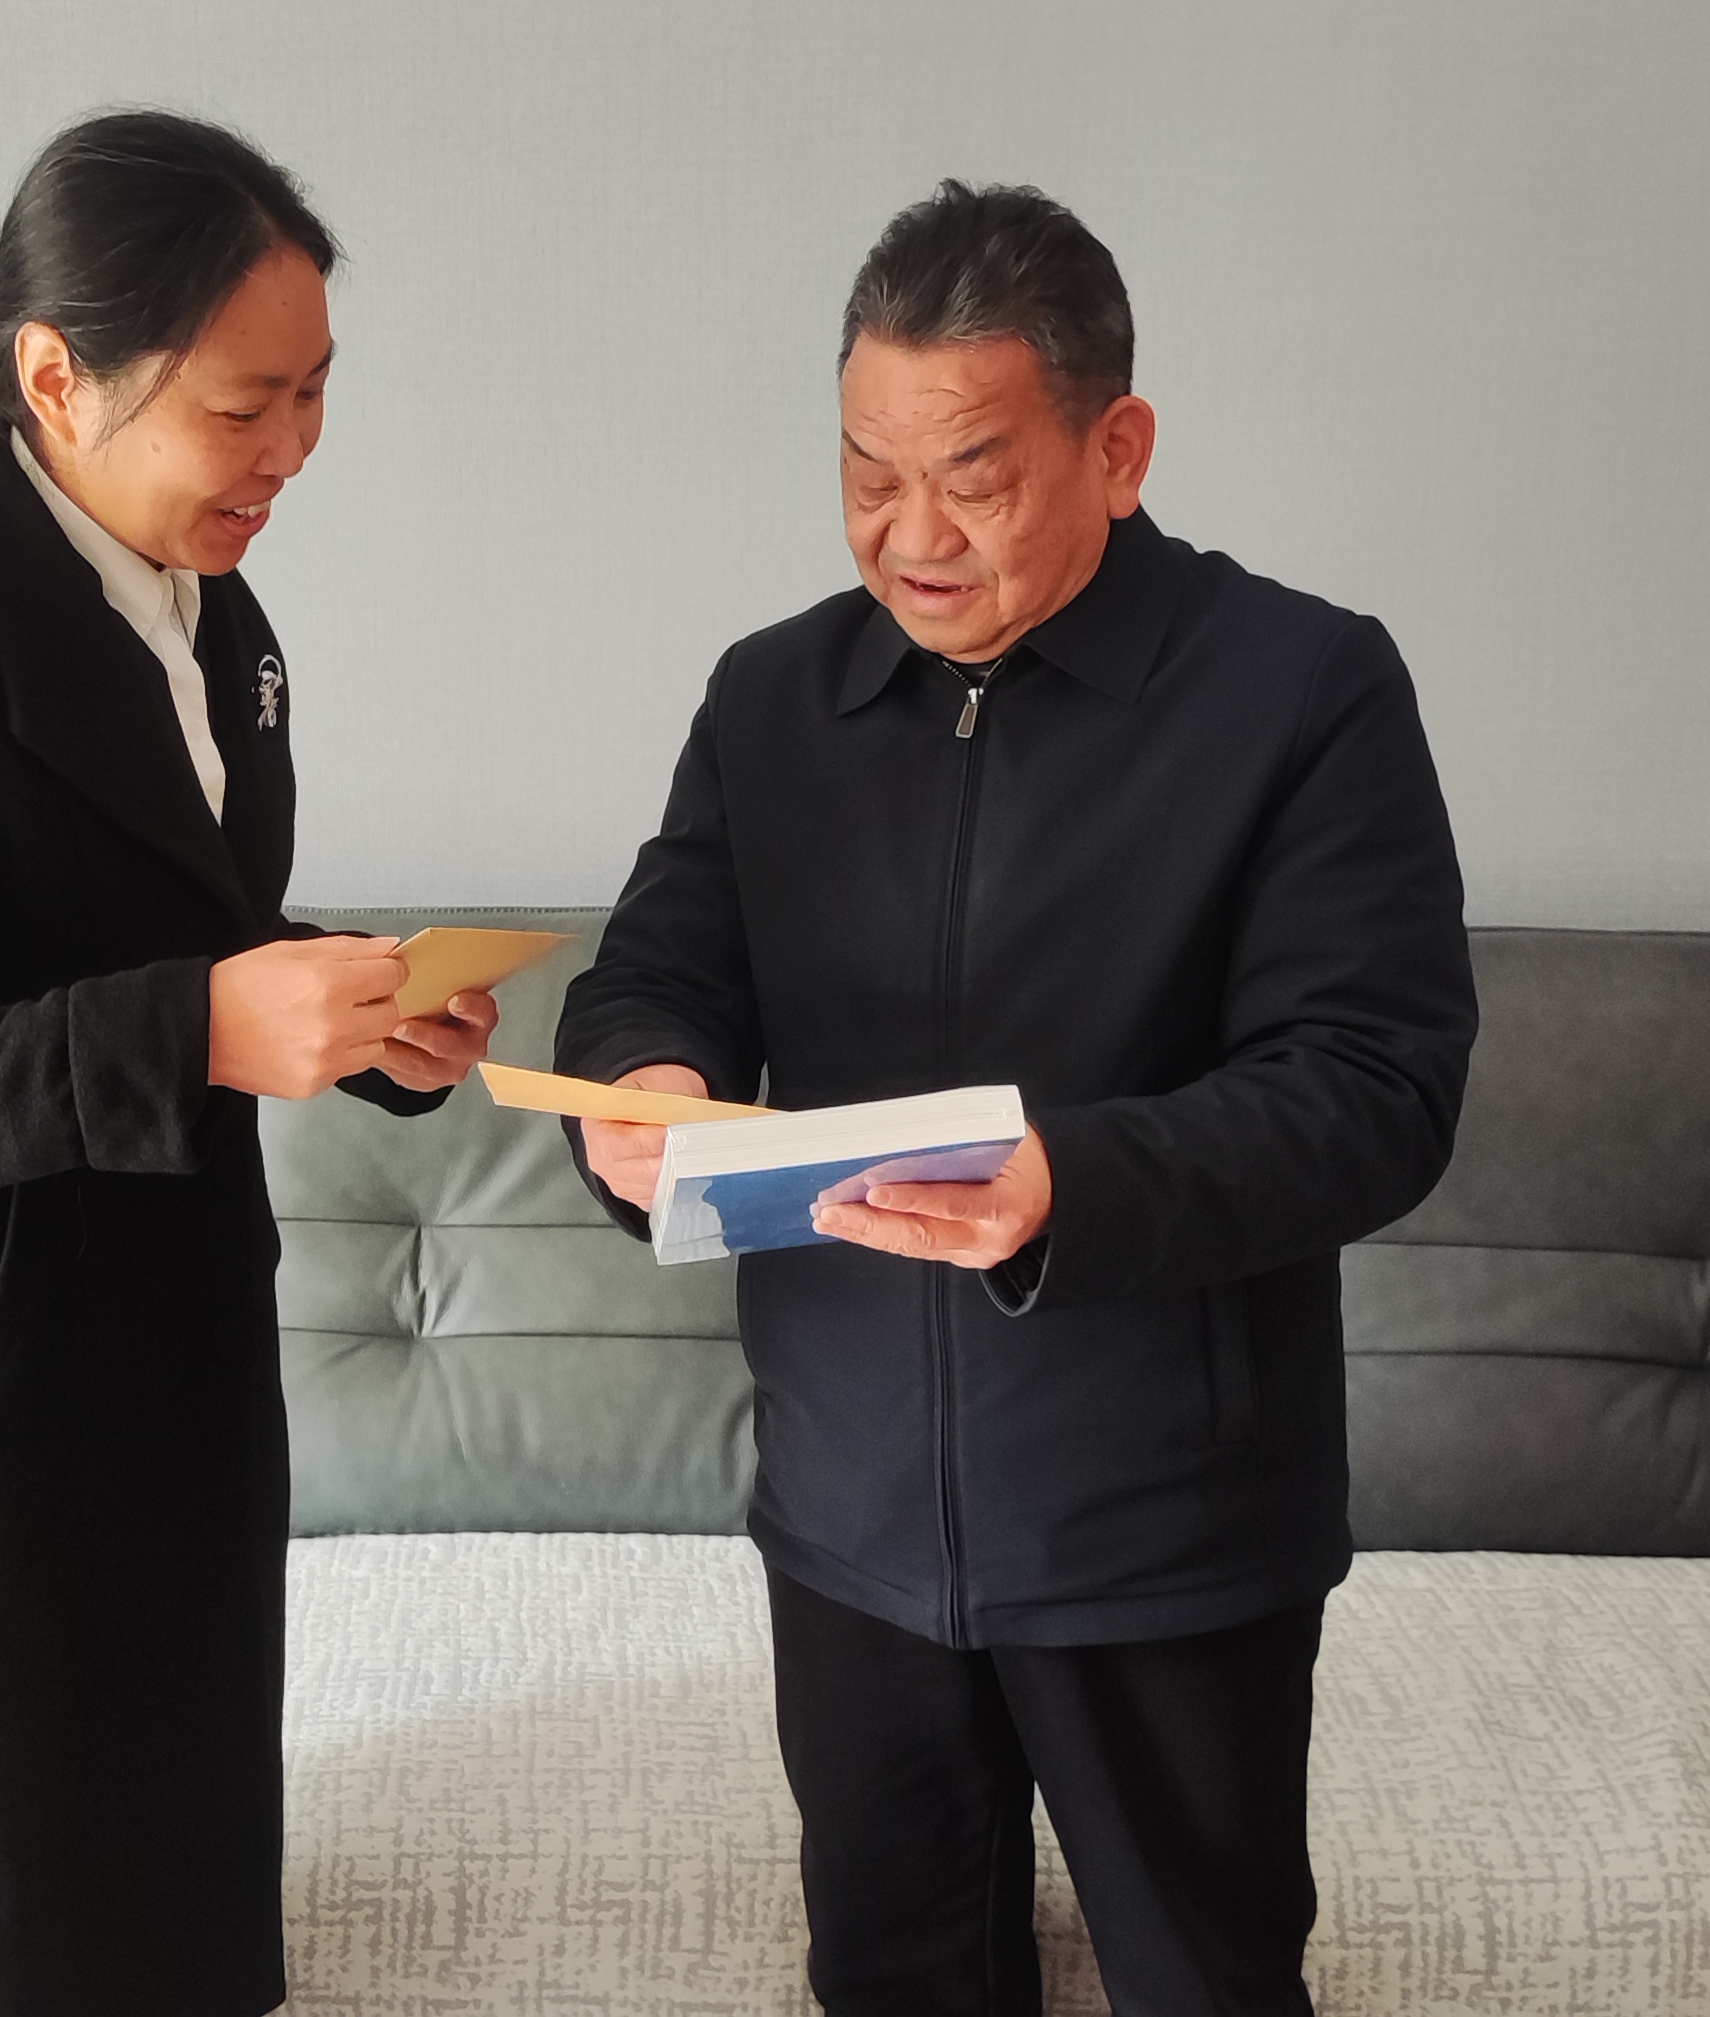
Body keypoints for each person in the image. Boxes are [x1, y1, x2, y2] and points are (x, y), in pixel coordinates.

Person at [555, 181, 1479, 2017]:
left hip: (1166, 1529)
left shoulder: (1302, 689)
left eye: (972, 477)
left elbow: (1376, 1087)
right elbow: (660, 967)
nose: (911, 537)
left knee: (1205, 1986)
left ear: (1117, 449)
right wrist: (643, 1077)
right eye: (865, 473)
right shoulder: (773, 698)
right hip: (848, 1514)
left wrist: (1071, 1179)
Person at [0, 109, 497, 2017]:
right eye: (244, 405)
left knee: (165, 1913)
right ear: (59, 376)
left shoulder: (219, 619)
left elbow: (175, 916)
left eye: (316, 392)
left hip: (178, 1367)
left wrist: (359, 1010)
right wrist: (208, 1023)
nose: (292, 449)